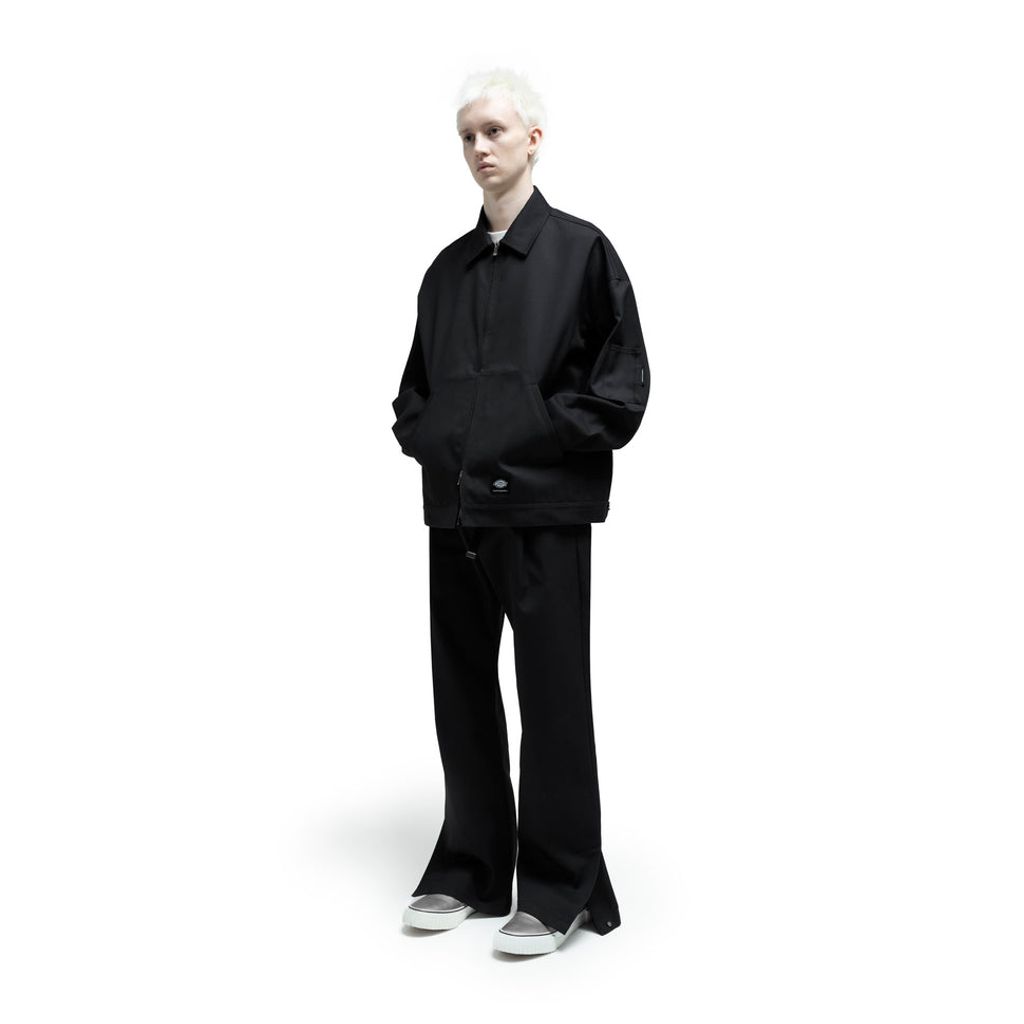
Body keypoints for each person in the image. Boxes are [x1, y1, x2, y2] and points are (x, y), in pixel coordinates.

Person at [392, 68, 651, 955]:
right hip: (456, 513)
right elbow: (414, 394)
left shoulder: (581, 253)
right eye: (467, 135)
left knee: (552, 699)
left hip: (542, 512)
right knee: (461, 696)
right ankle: (470, 867)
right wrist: (439, 444)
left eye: (494, 130)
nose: (479, 147)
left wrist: (530, 434)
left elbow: (620, 389)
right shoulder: (446, 271)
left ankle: (558, 885)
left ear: (534, 139)